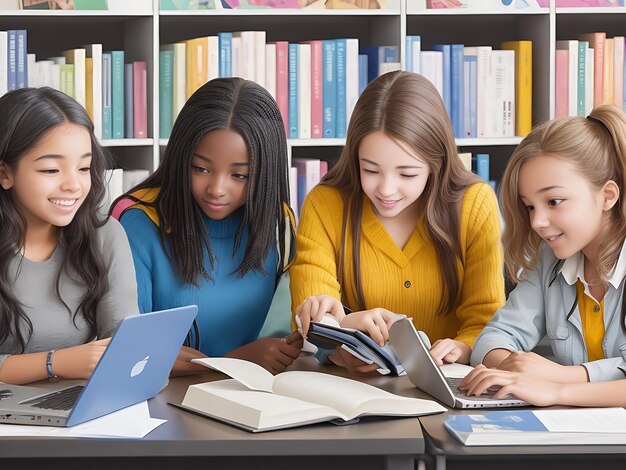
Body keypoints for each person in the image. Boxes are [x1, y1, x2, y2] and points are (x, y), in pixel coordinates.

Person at [291, 71, 505, 372]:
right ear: (355, 159)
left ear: (436, 165)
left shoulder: (474, 203)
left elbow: (488, 320)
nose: (387, 189)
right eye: (371, 170)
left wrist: (464, 345)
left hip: (446, 383)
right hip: (352, 387)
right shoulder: (325, 204)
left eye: (407, 174)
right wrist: (344, 329)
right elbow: (311, 309)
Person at [112, 77, 303, 376]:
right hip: (163, 402)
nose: (216, 189)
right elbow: (132, 352)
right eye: (201, 168)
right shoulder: (137, 222)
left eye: (239, 175)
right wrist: (236, 360)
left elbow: (292, 333)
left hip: (253, 397)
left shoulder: (279, 224)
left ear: (265, 175)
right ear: (180, 158)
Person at [460, 105, 626, 406]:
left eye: (554, 201)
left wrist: (560, 383)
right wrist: (516, 368)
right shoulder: (549, 260)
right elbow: (493, 339)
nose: (537, 222)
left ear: (607, 196)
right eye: (530, 206)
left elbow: (556, 383)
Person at [0, 87, 139, 385]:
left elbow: (124, 333)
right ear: (4, 174)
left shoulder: (105, 236)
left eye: (84, 167)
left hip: (80, 410)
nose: (73, 185)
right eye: (51, 169)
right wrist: (55, 363)